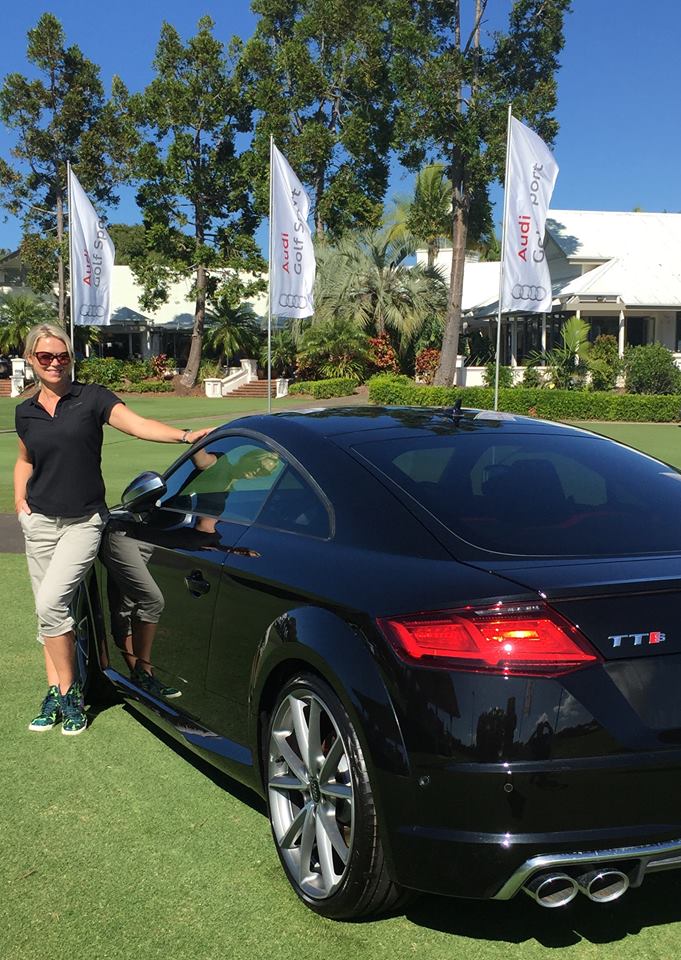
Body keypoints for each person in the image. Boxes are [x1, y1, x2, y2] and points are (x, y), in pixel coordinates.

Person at [14, 322, 213, 736]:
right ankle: (54, 691)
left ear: (71, 358)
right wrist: (20, 504)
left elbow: (137, 424)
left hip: (83, 522)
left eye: (62, 356)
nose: (55, 363)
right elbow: (25, 460)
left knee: (50, 604)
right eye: (46, 356)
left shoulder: (92, 398)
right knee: (48, 613)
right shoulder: (25, 411)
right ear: (32, 359)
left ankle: (70, 692)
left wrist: (185, 436)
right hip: (40, 524)